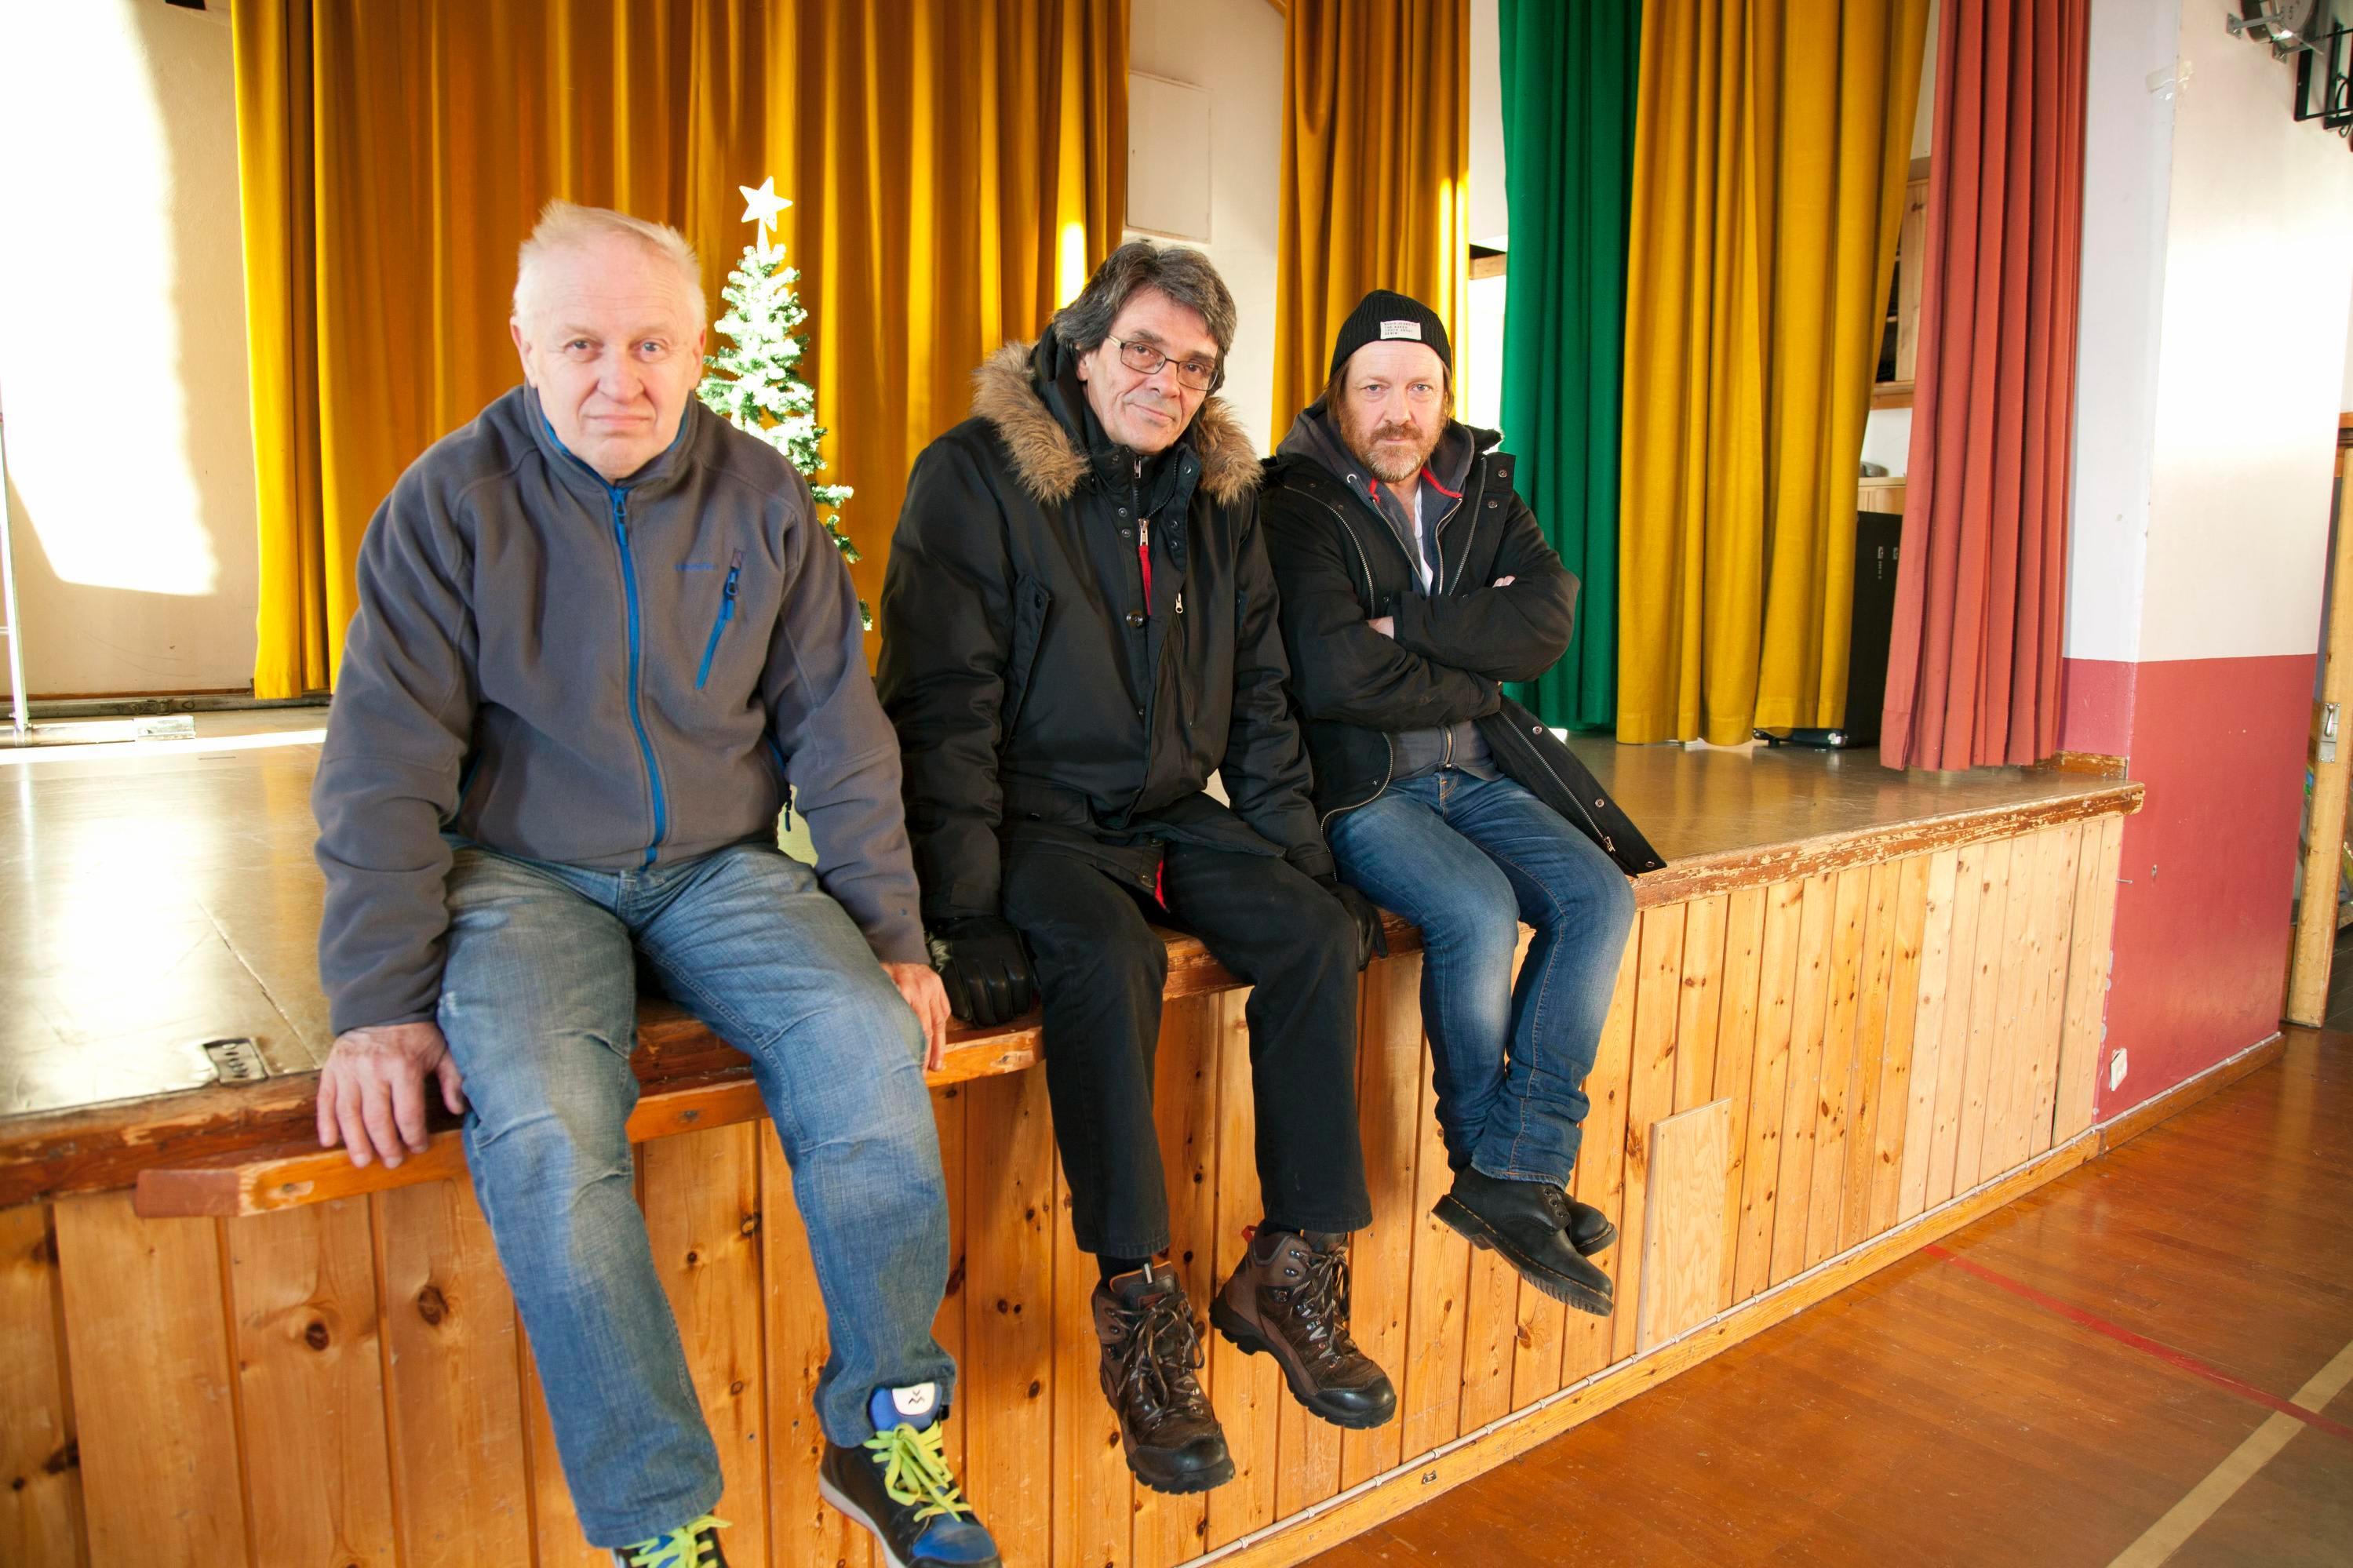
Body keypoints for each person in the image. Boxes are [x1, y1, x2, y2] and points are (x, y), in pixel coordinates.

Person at [309, 200, 999, 1568]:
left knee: (866, 1041)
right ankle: (662, 1522)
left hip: (717, 867)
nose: (617, 379)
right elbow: (384, 765)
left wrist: (892, 937)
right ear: (525, 346)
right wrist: (379, 1006)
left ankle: (884, 1428)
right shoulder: (449, 503)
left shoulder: (761, 496)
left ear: (694, 353)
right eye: (582, 344)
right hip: (521, 876)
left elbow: (837, 731)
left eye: (650, 345)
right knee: (547, 1129)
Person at [877, 242, 1397, 1496]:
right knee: (1105, 963)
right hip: (1033, 820)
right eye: (1144, 351)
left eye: (1195, 365)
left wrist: (1305, 862)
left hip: (1167, 811)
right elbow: (942, 707)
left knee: (1315, 935)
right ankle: (1141, 1312)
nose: (1168, 382)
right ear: (1082, 348)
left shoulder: (1218, 496)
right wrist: (962, 911)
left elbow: (1260, 695)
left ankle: (1288, 1267)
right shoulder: (974, 475)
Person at [1258, 289, 1660, 1319]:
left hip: (1481, 773)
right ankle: (1507, 1168)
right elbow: (1333, 671)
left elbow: (1546, 622)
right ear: (1339, 393)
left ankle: (1513, 1170)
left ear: (1445, 395)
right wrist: (1474, 668)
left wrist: (1408, 627)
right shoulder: (1293, 498)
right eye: (1375, 388)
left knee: (1601, 898)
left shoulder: (1482, 484)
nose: (1399, 410)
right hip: (1367, 786)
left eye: (1420, 388)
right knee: (1475, 910)